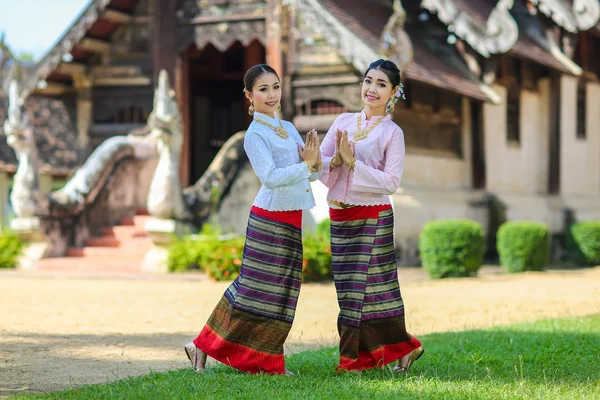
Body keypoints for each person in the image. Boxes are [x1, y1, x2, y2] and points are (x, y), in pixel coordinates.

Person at [185, 64, 323, 375]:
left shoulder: (287, 127)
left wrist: (317, 165)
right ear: (249, 95)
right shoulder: (254, 135)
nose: (272, 94)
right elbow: (271, 178)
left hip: (293, 216)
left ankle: (264, 359)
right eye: (263, 89)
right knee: (252, 289)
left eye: (275, 87)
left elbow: (308, 174)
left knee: (283, 290)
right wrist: (306, 167)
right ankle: (202, 344)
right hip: (269, 217)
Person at [319, 59, 423, 372]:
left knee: (375, 289)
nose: (371, 89)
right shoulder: (343, 121)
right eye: (368, 81)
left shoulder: (393, 133)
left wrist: (354, 164)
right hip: (340, 214)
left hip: (374, 215)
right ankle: (394, 351)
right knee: (348, 290)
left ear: (393, 92)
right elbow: (321, 166)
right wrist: (335, 161)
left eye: (381, 84)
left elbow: (392, 182)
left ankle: (360, 359)